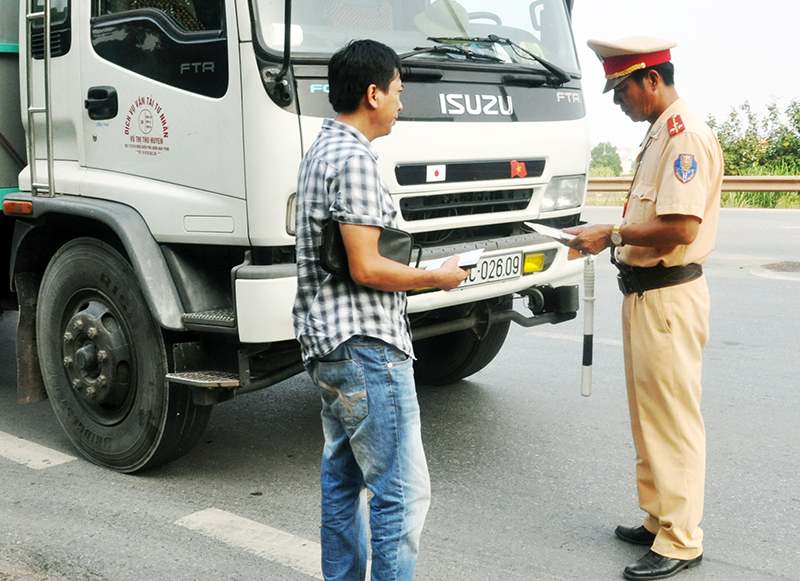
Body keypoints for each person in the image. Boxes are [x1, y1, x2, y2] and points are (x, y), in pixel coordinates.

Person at [292, 39, 469, 581]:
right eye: (396, 91)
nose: (399, 102)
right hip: (367, 347)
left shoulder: (321, 150)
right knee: (401, 494)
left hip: (329, 344)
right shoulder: (355, 160)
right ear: (372, 93)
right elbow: (366, 266)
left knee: (343, 483)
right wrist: (437, 278)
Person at [566, 36, 723, 581]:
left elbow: (681, 228)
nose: (618, 101)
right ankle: (660, 518)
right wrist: (608, 237)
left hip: (668, 297)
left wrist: (610, 233)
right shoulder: (660, 133)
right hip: (645, 294)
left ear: (651, 79)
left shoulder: (683, 138)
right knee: (648, 416)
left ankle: (681, 540)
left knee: (673, 420)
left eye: (621, 89)